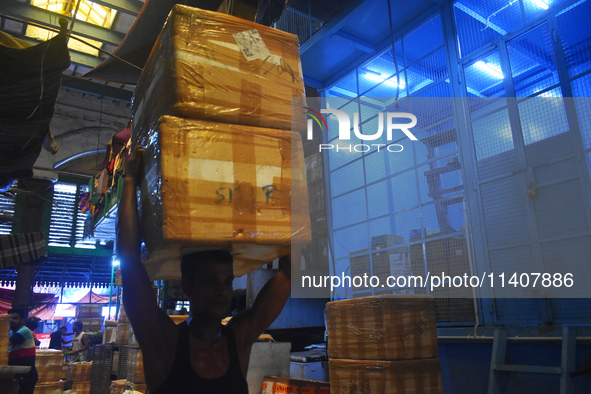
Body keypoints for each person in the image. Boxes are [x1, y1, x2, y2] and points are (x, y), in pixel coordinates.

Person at [117, 149, 295, 393]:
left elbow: (288, 274)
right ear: (188, 285)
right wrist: (129, 181)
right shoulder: (165, 342)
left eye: (227, 282)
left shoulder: (239, 338)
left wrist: (284, 197)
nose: (222, 291)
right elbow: (129, 260)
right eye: (211, 281)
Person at [8, 308, 38, 394]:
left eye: (15, 318)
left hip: (27, 376)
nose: (11, 320)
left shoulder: (24, 331)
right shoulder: (11, 332)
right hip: (17, 374)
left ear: (22, 320)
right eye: (10, 318)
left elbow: (6, 343)